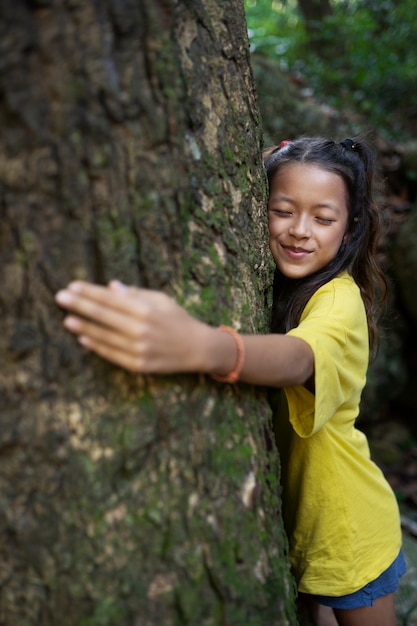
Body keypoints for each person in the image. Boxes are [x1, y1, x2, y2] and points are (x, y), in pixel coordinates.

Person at [55, 137, 405, 626]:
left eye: (323, 219)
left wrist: (202, 346)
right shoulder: (280, 283)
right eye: (282, 210)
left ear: (349, 231)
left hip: (347, 527)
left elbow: (300, 358)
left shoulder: (339, 300)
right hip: (301, 524)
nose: (300, 231)